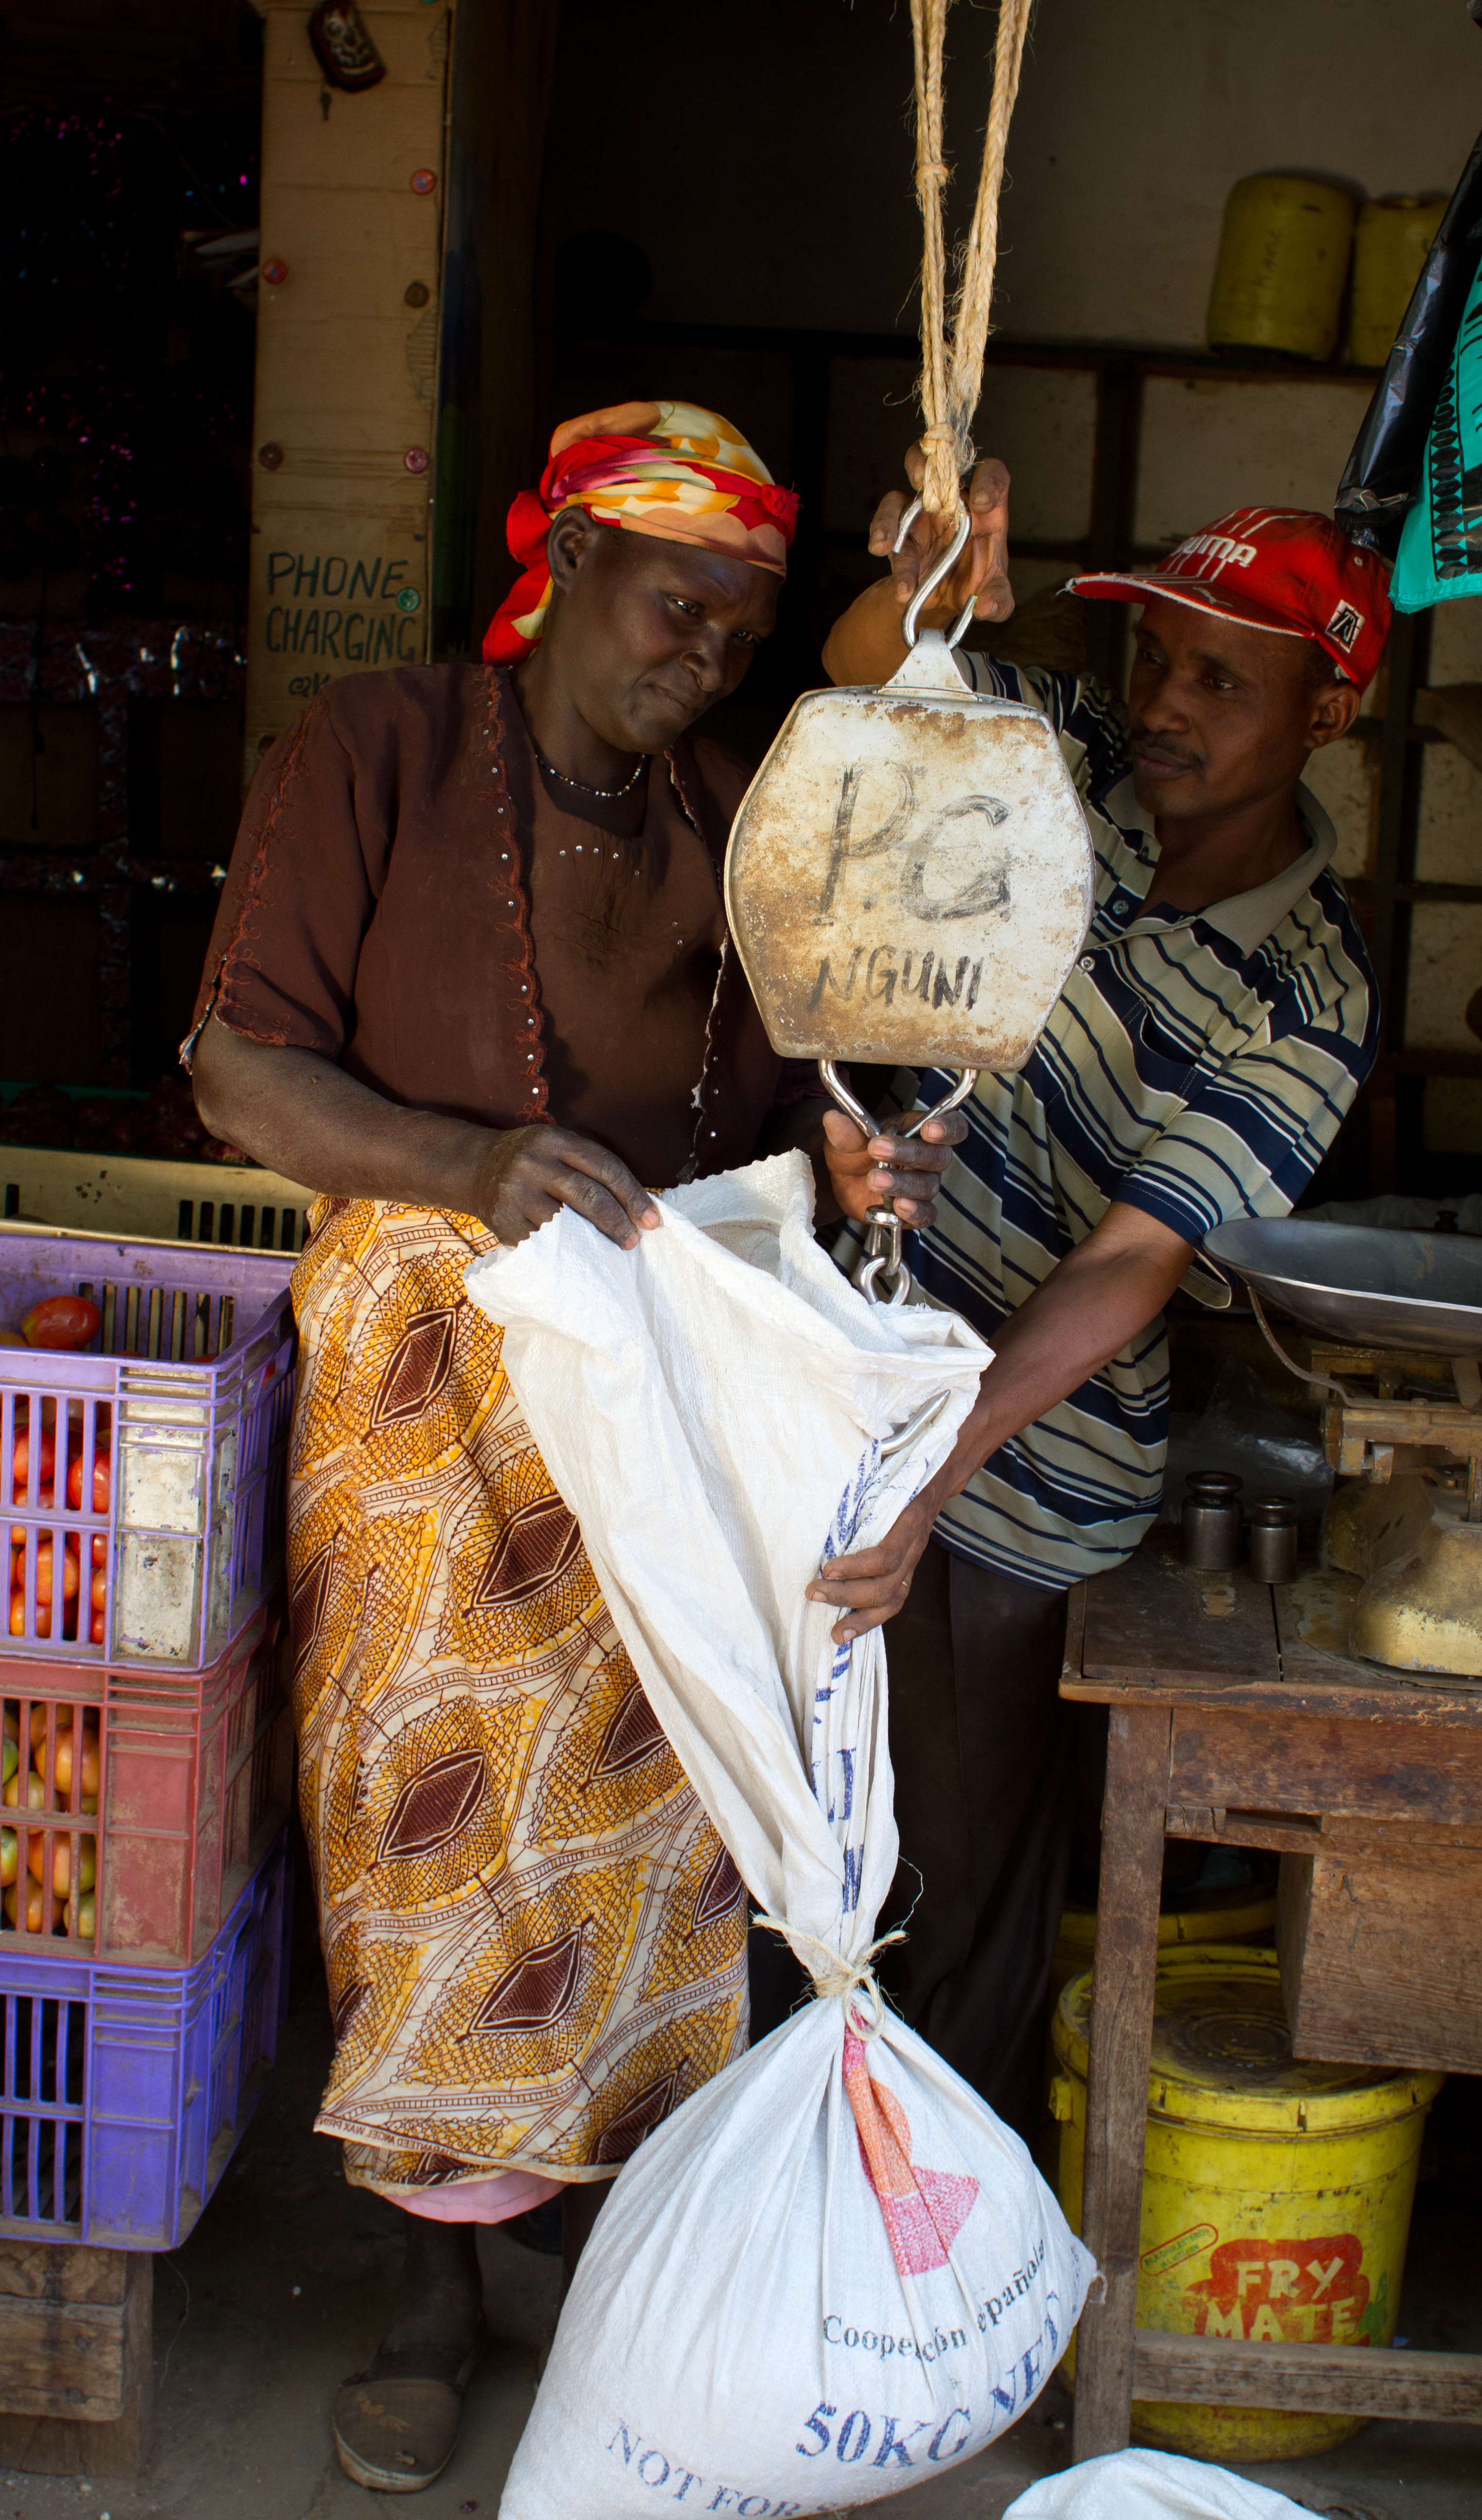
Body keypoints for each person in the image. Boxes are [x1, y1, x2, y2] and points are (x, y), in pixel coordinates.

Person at [186, 402, 997, 2493]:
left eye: (740, 624)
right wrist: (469, 1159)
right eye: (676, 601)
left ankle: (583, 2246)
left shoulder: (726, 817)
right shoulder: (372, 748)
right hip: (422, 1374)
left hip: (650, 1378)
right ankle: (430, 2295)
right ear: (564, 567)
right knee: (429, 1827)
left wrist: (834, 1157)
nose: (707, 652)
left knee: (645, 1838)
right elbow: (239, 1067)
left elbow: (781, 1097)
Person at [813, 475, 1388, 2137]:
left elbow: (1136, 1260)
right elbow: (869, 683)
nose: (1164, 707)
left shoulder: (1316, 990)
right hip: (859, 1360)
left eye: (1224, 682)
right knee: (804, 1830)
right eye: (1159, 662)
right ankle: (796, 2190)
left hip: (1027, 1472)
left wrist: (938, 1476)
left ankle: (930, 2235)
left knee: (963, 1873)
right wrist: (921, 585)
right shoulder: (1068, 756)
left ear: (1331, 713)